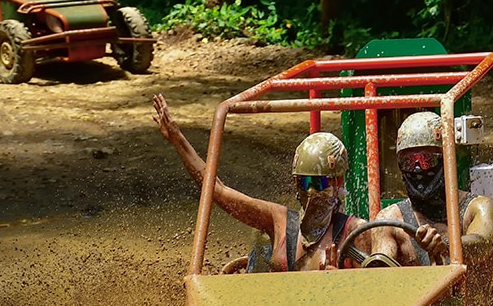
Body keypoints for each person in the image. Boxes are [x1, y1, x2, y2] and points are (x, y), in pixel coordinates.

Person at [153, 94, 363, 272]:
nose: (309, 189)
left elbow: (379, 298)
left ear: (338, 181)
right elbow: (217, 191)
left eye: (318, 182)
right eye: (303, 181)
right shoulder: (279, 222)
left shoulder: (356, 232)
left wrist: (342, 283)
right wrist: (178, 140)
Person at [372, 111, 493, 306]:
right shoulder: (390, 220)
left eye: (426, 161)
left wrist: (444, 244)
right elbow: (380, 276)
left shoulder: (482, 208)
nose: (418, 170)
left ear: (447, 159)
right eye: (409, 162)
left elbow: (482, 244)